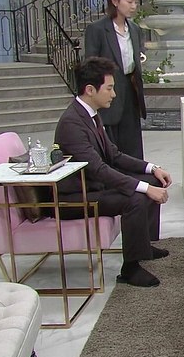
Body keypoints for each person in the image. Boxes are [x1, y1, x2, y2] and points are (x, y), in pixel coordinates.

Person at [54, 57, 173, 288]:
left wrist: (152, 168)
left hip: (93, 186)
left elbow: (114, 155)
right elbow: (98, 169)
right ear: (90, 90)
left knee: (151, 180)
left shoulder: (90, 114)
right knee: (135, 197)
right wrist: (145, 188)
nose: (114, 94)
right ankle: (130, 269)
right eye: (109, 88)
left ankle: (144, 245)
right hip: (76, 196)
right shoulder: (72, 123)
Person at [84, 0, 147, 159]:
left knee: (132, 146)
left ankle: (135, 176)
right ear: (115, 1)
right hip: (108, 91)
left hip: (130, 90)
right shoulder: (97, 29)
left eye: (136, 2)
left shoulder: (134, 29)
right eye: (130, 1)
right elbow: (91, 66)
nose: (134, 6)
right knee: (111, 146)